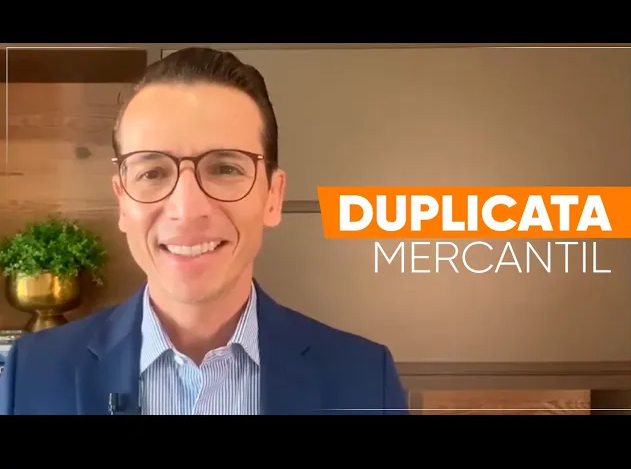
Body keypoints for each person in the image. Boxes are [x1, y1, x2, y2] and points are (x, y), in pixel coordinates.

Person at [0, 47, 409, 415]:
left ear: (273, 195)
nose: (187, 209)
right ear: (122, 200)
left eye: (225, 168)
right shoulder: (34, 371)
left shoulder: (363, 379)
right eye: (152, 172)